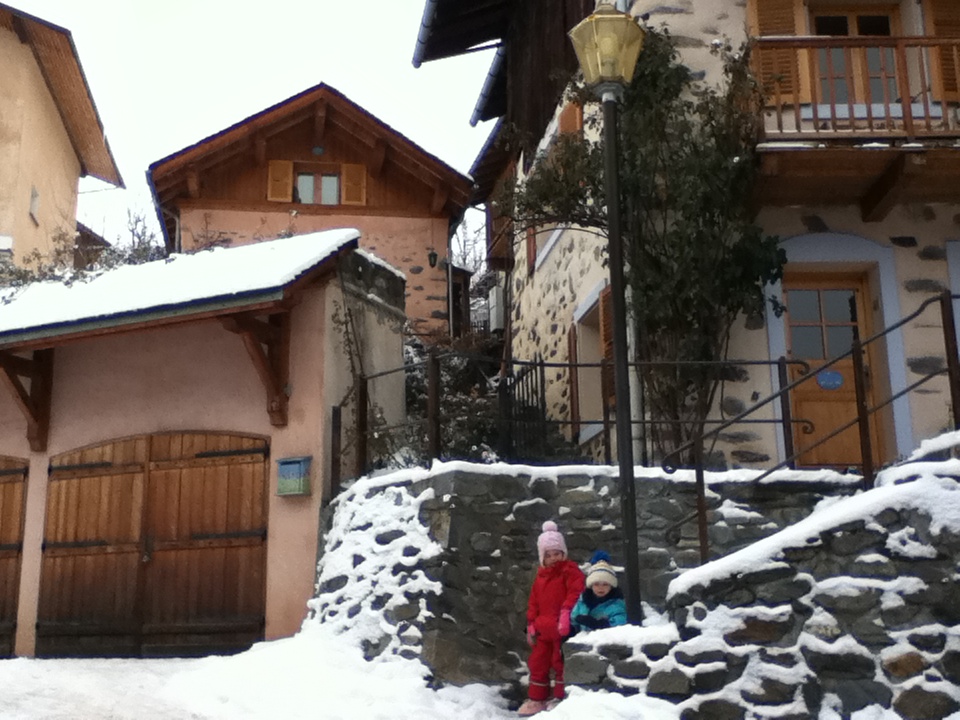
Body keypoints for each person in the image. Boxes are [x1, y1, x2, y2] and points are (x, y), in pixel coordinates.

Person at [518, 521, 585, 716]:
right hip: (542, 629)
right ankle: (537, 698)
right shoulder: (540, 577)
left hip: (561, 628)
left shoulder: (570, 571)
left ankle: (559, 696)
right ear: (542, 557)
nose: (553, 558)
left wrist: (566, 613)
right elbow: (534, 602)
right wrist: (531, 623)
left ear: (563, 553)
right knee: (538, 663)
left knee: (559, 662)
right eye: (548, 555)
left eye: (557, 553)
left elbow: (575, 593)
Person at [570, 551, 628, 634]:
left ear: (611, 586)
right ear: (591, 586)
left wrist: (596, 624)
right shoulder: (583, 601)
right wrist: (576, 621)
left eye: (605, 584)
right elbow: (573, 617)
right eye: (596, 584)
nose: (600, 588)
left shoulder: (616, 604)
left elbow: (619, 623)